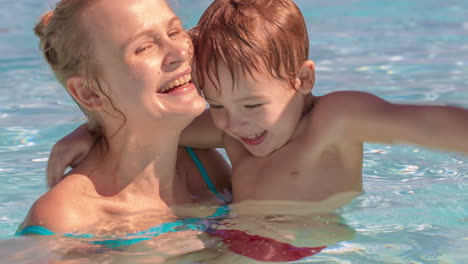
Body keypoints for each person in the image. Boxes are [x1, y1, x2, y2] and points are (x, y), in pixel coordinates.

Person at [49, 0, 468, 211]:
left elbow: (424, 123)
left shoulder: (333, 122)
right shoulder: (231, 130)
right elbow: (146, 128)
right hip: (233, 244)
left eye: (252, 104)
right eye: (215, 104)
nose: (233, 124)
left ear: (302, 81)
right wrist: (92, 129)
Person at [18, 0, 232, 237]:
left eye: (174, 31)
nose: (180, 53)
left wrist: (91, 128)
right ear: (89, 93)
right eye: (144, 47)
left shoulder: (205, 167)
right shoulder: (65, 221)